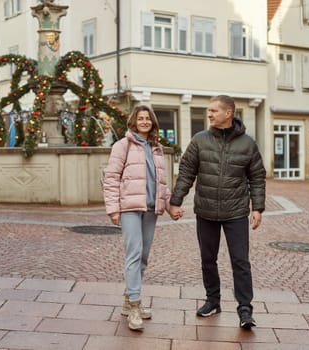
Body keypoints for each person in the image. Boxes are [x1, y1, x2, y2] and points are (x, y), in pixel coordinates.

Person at [169, 95, 266, 330]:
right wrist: (175, 201)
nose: (209, 114)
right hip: (206, 211)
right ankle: (213, 301)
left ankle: (245, 310)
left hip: (236, 212)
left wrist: (258, 208)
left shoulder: (247, 144)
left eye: (213, 110)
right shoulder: (200, 140)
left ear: (228, 113)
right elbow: (186, 173)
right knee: (207, 260)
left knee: (240, 261)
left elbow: (257, 177)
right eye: (208, 110)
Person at [103, 105, 181, 331]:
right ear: (133, 122)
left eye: (148, 118)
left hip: (150, 209)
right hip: (129, 208)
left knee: (143, 257)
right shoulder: (123, 145)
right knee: (134, 254)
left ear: (153, 122)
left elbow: (162, 185)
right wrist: (113, 209)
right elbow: (111, 178)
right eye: (141, 118)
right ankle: (135, 306)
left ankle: (129, 301)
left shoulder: (156, 148)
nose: (145, 121)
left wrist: (170, 207)